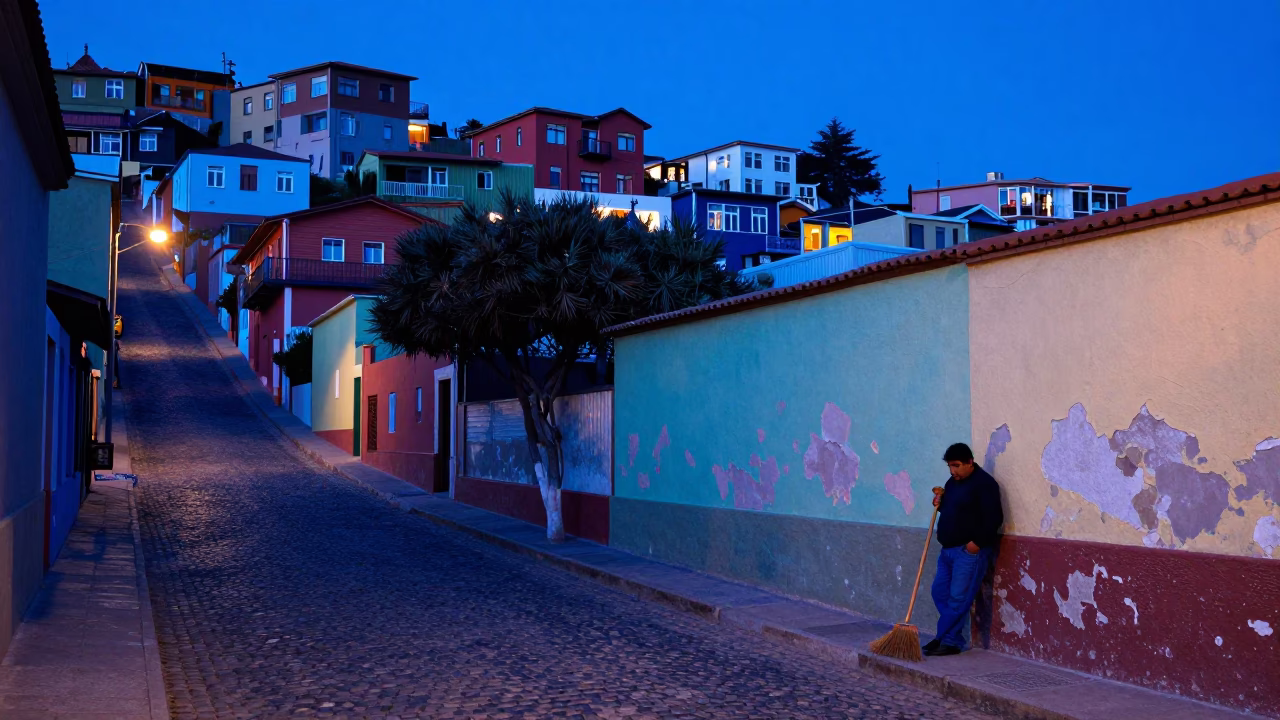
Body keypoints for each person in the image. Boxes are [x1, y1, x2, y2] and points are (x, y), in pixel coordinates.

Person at [923, 442, 1003, 656]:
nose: (953, 471)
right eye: (950, 466)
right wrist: (939, 504)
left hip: (968, 552)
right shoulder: (952, 482)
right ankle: (947, 635)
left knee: (958, 598)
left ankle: (949, 641)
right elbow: (952, 511)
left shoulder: (985, 484)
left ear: (970, 462)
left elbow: (994, 518)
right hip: (947, 550)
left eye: (957, 466)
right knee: (938, 592)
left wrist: (974, 545)